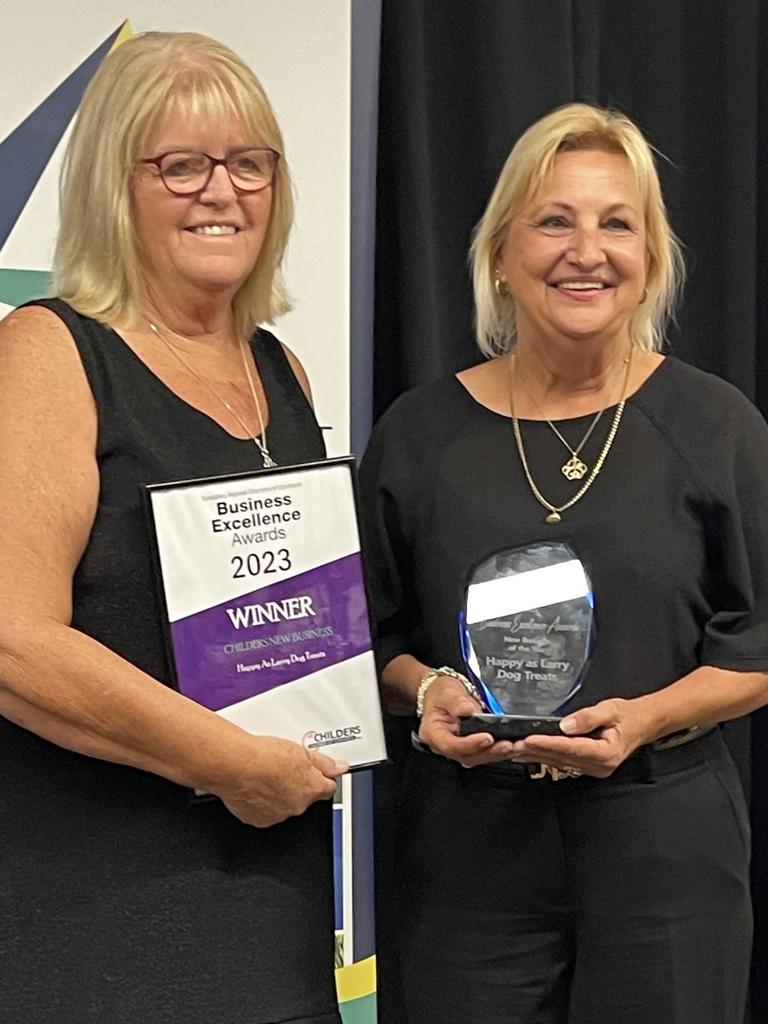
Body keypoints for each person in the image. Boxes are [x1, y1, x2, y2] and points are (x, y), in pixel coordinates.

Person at [359, 102, 768, 1024]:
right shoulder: (420, 434)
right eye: (554, 220)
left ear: (651, 258)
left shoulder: (716, 425)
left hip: (664, 843)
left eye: (617, 223)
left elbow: (761, 642)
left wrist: (649, 717)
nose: (587, 249)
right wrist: (425, 695)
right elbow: (360, 638)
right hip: (469, 854)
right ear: (501, 252)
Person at [0, 32, 346, 1024]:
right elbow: (15, 639)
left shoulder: (280, 371)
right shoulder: (50, 352)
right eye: (182, 164)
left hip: (269, 913)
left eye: (249, 162)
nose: (221, 192)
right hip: (96, 930)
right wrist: (230, 763)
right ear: (116, 184)